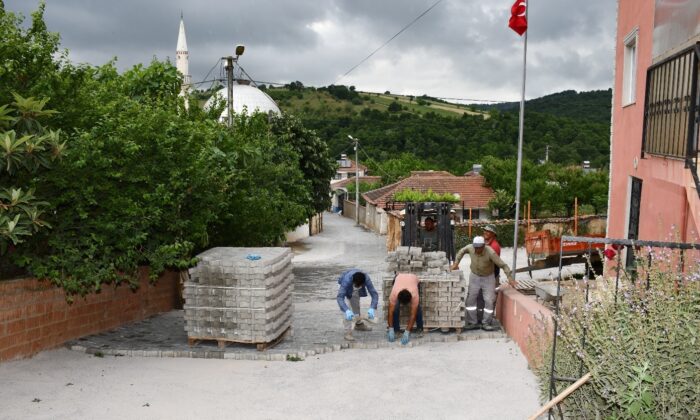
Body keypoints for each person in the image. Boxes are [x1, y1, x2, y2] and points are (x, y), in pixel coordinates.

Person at [451, 236, 516, 331]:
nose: (477, 250)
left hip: (488, 278)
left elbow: (503, 265)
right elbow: (461, 251)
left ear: (483, 246)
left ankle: (486, 322)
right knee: (470, 299)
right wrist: (456, 263)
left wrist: (510, 278)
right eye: (475, 247)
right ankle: (473, 322)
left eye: (479, 248)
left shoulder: (490, 252)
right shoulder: (470, 248)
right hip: (474, 276)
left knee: (489, 300)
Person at [336, 269, 379, 341]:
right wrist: (346, 311)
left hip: (355, 286)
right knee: (347, 309)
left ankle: (358, 325)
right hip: (344, 286)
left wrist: (372, 308)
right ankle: (348, 333)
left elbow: (374, 294)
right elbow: (340, 297)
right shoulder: (346, 281)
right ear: (353, 282)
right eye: (356, 285)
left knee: (356, 306)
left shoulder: (366, 279)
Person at [386, 272, 424, 345]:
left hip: (413, 278)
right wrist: (391, 328)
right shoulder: (394, 293)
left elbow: (413, 315)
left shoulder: (414, 294)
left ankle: (420, 328)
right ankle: (396, 330)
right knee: (395, 308)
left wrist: (407, 331)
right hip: (399, 277)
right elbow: (390, 312)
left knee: (417, 308)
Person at [477, 225, 501, 324]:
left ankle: (487, 321)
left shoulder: (495, 246)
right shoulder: (486, 244)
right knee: (481, 298)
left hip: (491, 276)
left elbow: (490, 263)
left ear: (493, 234)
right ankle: (481, 319)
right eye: (485, 231)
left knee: (489, 299)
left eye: (488, 231)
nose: (485, 232)